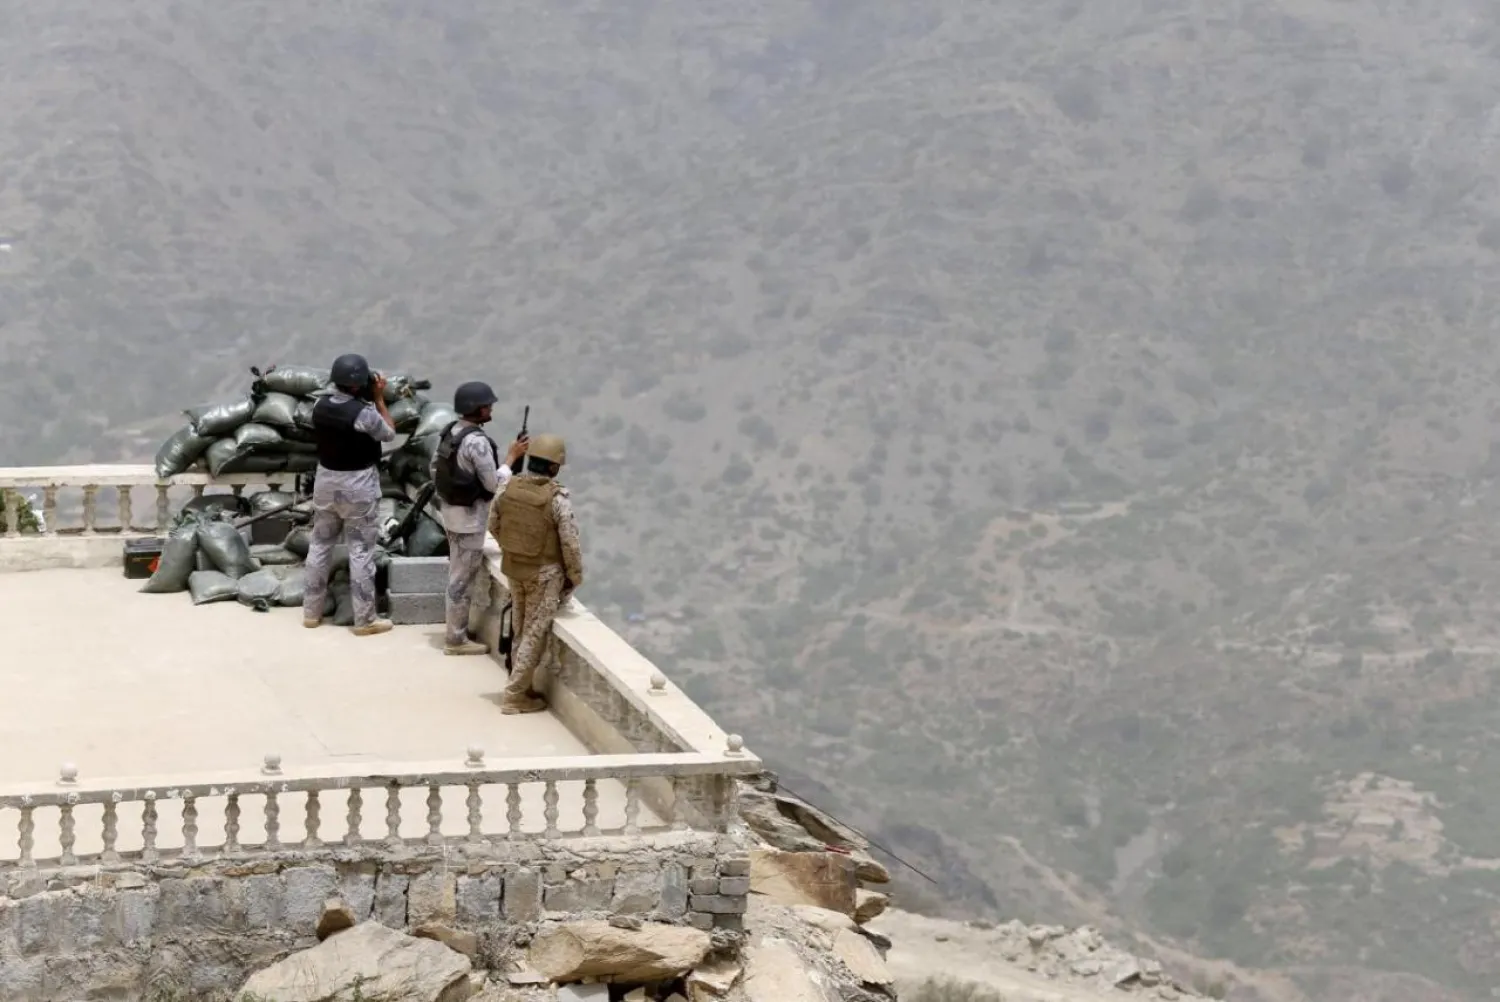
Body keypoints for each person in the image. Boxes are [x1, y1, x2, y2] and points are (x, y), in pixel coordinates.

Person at [429, 381, 528, 656]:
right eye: (487, 405)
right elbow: (493, 484)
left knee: (457, 575)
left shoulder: (451, 431)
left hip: (450, 513)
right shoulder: (477, 442)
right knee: (461, 581)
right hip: (469, 521)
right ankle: (456, 640)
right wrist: (511, 458)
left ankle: (455, 632)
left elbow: (434, 469)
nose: (490, 408)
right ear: (476, 408)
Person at [488, 434, 584, 714]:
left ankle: (521, 686)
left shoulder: (508, 488)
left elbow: (493, 524)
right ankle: (514, 696)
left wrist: (513, 549)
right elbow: (570, 543)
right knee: (533, 634)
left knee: (520, 628)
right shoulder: (557, 499)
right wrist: (575, 576)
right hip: (544, 576)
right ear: (554, 467)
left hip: (514, 568)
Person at [302, 352, 396, 635]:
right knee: (361, 552)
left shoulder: (319, 405)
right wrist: (379, 398)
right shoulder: (363, 413)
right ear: (359, 384)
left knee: (320, 546)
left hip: (326, 482)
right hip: (357, 486)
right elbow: (389, 433)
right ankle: (365, 620)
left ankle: (311, 613)